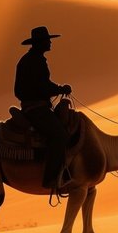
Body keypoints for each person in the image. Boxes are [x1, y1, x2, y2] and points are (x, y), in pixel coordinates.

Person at [14, 26, 73, 190]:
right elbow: (43, 86)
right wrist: (60, 89)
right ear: (40, 43)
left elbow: (20, 90)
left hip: (33, 107)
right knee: (60, 135)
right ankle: (51, 178)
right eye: (47, 40)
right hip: (36, 109)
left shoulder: (29, 60)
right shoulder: (35, 61)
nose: (50, 43)